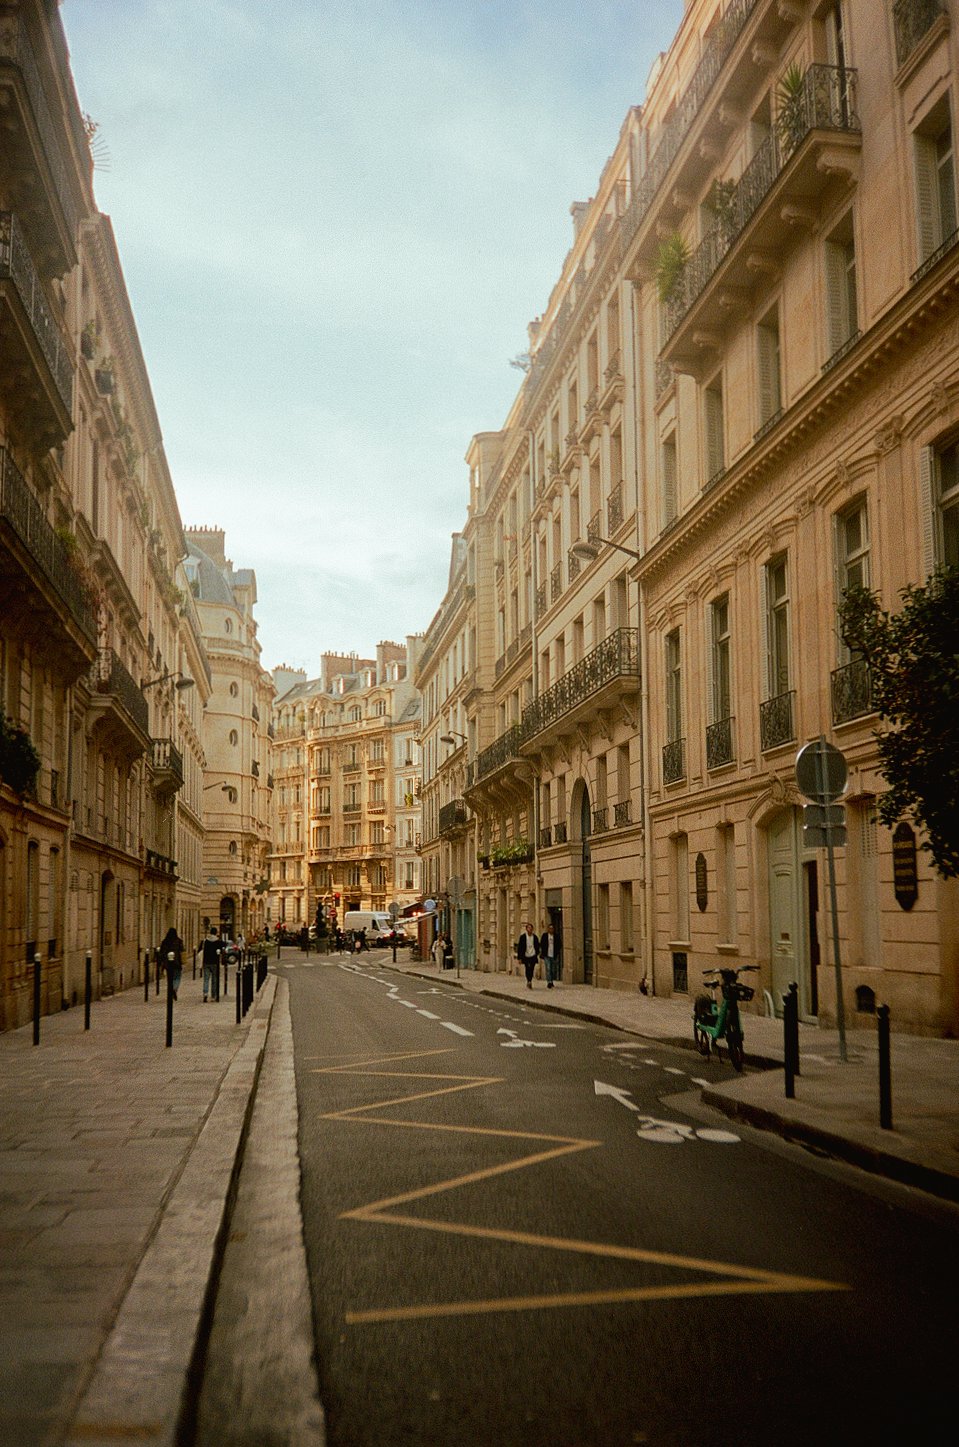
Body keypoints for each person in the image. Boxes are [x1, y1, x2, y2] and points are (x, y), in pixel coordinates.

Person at [159, 926, 183, 1001]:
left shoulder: (165, 941)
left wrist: (162, 963)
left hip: (168, 964)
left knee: (170, 978)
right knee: (177, 977)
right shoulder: (179, 941)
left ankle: (170, 990)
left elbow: (162, 953)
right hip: (177, 962)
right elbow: (182, 951)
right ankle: (174, 989)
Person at [515, 922, 540, 989]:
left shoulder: (535, 937)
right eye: (529, 928)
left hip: (533, 955)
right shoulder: (523, 937)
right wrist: (519, 958)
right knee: (527, 968)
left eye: (531, 928)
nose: (530, 930)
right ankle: (528, 980)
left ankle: (530, 980)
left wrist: (537, 953)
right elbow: (520, 947)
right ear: (526, 929)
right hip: (526, 955)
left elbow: (537, 945)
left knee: (531, 968)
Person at [201, 926, 221, 1002]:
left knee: (206, 979)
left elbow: (203, 950)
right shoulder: (218, 941)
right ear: (216, 933)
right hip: (214, 962)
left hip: (206, 962)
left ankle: (205, 993)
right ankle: (213, 996)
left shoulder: (206, 941)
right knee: (214, 979)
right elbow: (222, 947)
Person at [539, 921, 561, 988]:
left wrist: (557, 952)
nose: (551, 930)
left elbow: (559, 944)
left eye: (552, 928)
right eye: (550, 928)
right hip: (546, 955)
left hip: (553, 955)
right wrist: (542, 952)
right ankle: (549, 982)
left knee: (553, 969)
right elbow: (542, 944)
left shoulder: (556, 936)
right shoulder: (545, 936)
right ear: (548, 929)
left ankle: (552, 980)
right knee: (548, 968)